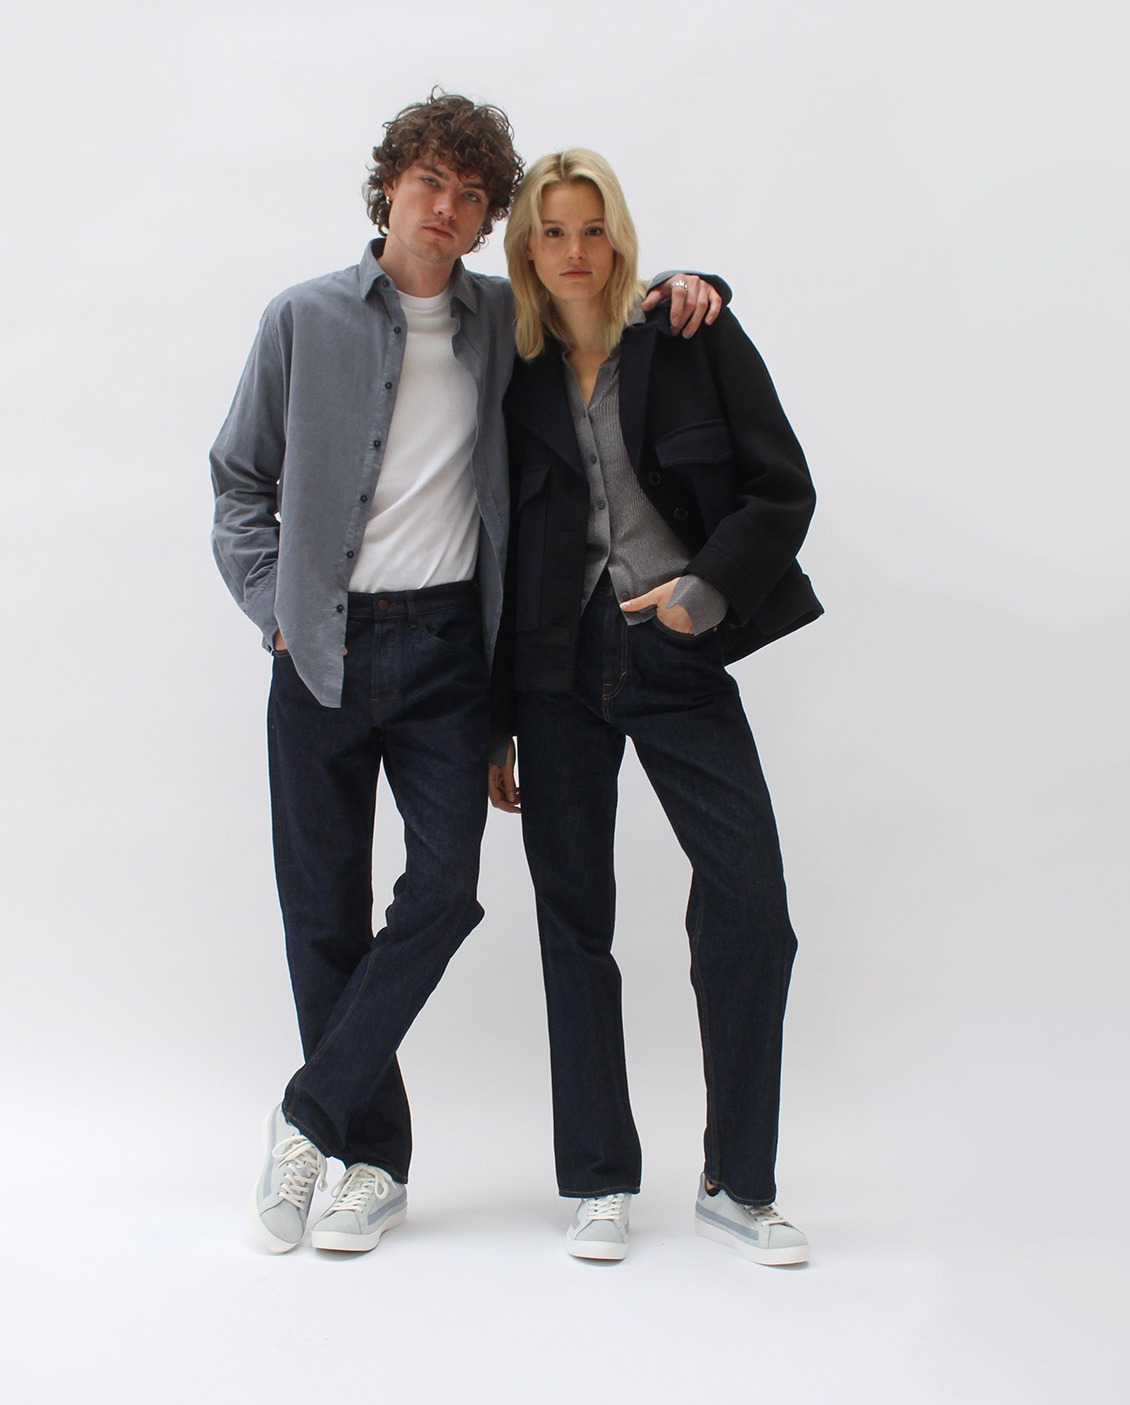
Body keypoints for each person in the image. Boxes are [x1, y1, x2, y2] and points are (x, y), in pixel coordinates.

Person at [210, 95, 724, 1256]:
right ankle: (371, 1161)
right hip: (320, 652)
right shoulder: (301, 318)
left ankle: (305, 1113)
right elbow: (239, 480)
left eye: (470, 194)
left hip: (447, 650)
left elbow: (599, 298)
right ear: (388, 184)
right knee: (322, 915)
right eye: (428, 182)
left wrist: (694, 286)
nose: (445, 207)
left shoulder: (503, 319)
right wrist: (273, 612)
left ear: (489, 216)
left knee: (442, 890)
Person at [488, 149, 822, 1265]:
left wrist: (702, 592)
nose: (573, 251)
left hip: (672, 649)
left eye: (591, 228)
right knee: (573, 917)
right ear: (525, 248)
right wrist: (496, 717)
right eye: (551, 231)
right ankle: (597, 1176)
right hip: (552, 668)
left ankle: (738, 1181)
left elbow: (782, 485)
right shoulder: (512, 369)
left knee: (751, 906)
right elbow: (496, 548)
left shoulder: (688, 335)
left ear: (617, 234)